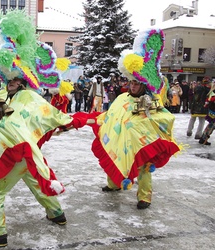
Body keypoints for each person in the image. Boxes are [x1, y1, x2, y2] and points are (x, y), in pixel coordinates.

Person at [0, 10, 88, 248]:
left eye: (16, 80)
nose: (11, 83)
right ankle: (56, 214)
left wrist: (78, 120)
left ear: (24, 80)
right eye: (9, 79)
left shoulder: (30, 97)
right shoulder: (7, 94)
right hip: (21, 153)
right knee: (35, 182)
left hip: (15, 151)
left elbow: (54, 115)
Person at [88, 28, 180, 210]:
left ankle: (144, 197)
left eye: (136, 82)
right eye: (131, 82)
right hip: (121, 139)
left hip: (141, 143)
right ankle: (114, 184)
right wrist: (98, 121)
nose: (132, 85)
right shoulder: (123, 98)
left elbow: (163, 118)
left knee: (143, 168)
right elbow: (112, 114)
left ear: (143, 84)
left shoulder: (151, 101)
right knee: (113, 156)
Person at [199, 81, 215, 145]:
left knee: (211, 126)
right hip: (213, 111)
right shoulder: (213, 93)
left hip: (212, 111)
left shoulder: (211, 92)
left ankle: (203, 138)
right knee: (211, 126)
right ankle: (203, 139)